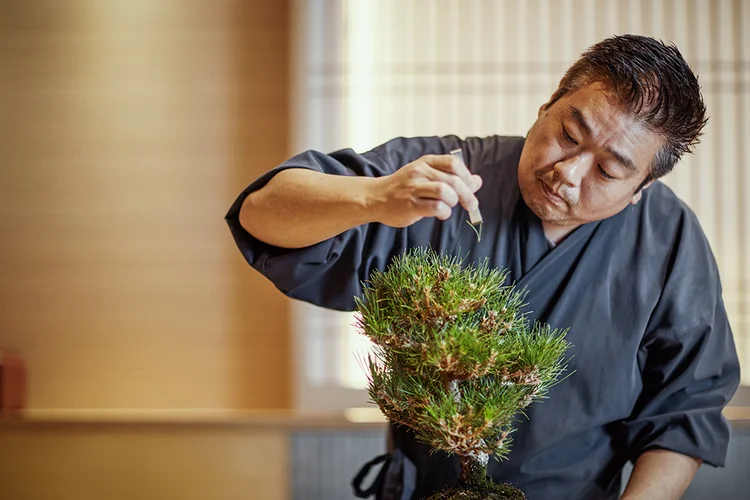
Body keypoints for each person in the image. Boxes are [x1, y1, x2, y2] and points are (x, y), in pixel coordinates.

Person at [225, 35, 741, 500]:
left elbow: (686, 407)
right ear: (546, 107)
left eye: (607, 170)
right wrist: (374, 197)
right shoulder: (444, 175)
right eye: (568, 133)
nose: (567, 172)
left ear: (640, 189)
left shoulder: (668, 239)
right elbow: (260, 213)